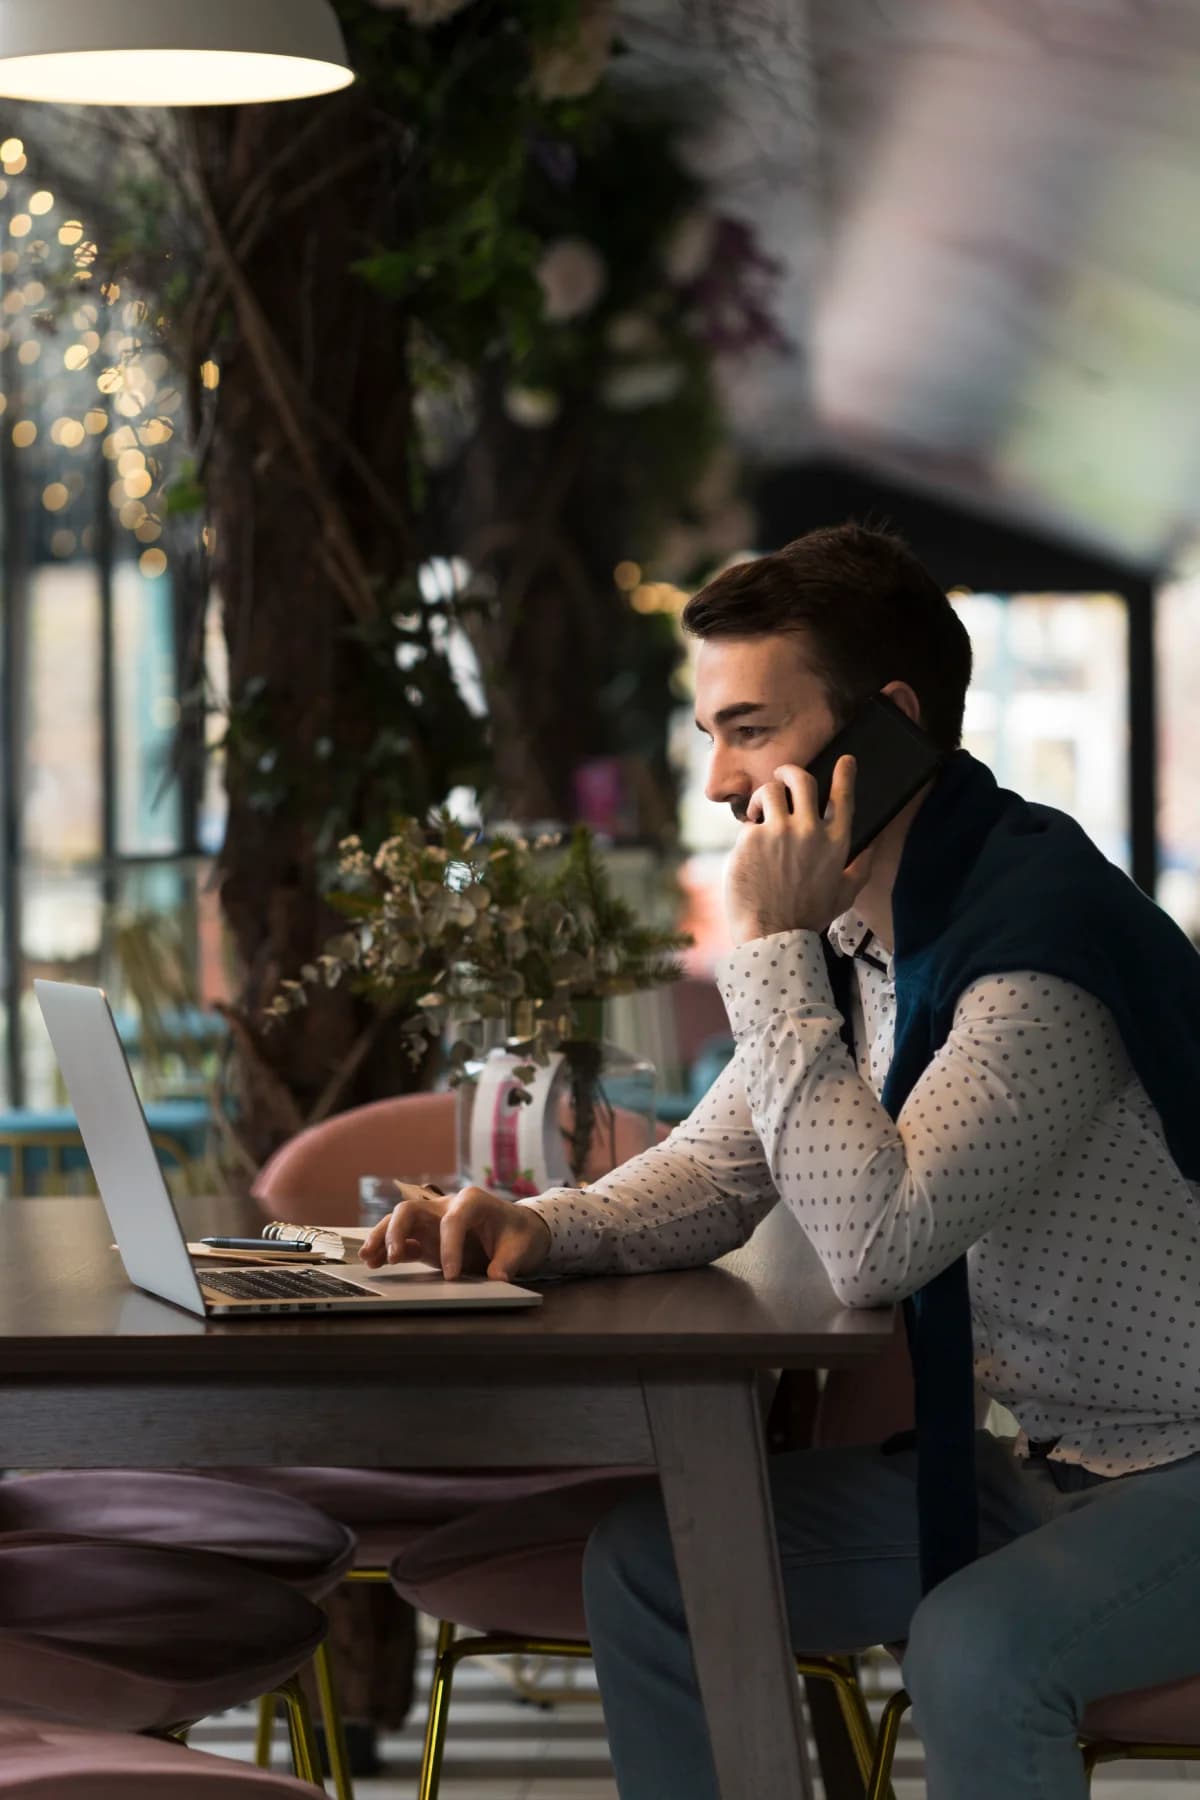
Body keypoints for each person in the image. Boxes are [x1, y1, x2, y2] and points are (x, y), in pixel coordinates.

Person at [362, 522, 1200, 1800]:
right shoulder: (875, 938)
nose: (714, 782)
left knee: (973, 1654)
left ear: (889, 725)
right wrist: (550, 1228)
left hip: (1182, 1463)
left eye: (748, 728)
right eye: (709, 734)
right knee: (661, 1568)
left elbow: (880, 1240)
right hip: (1039, 1465)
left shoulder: (1038, 950)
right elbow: (718, 1167)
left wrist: (762, 948)